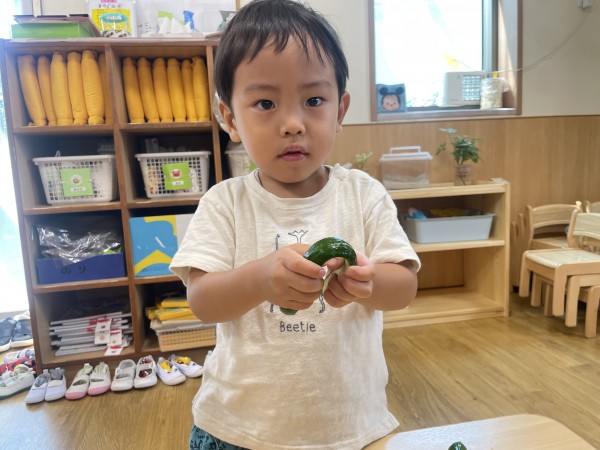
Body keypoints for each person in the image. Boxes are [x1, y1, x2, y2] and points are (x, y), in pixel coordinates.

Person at [169, 1, 420, 448]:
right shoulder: (225, 203)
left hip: (348, 428)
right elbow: (203, 301)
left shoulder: (363, 195)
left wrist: (367, 282)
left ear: (339, 111)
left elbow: (403, 287)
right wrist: (259, 278)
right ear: (230, 118)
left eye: (314, 100)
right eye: (265, 103)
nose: (292, 124)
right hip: (240, 429)